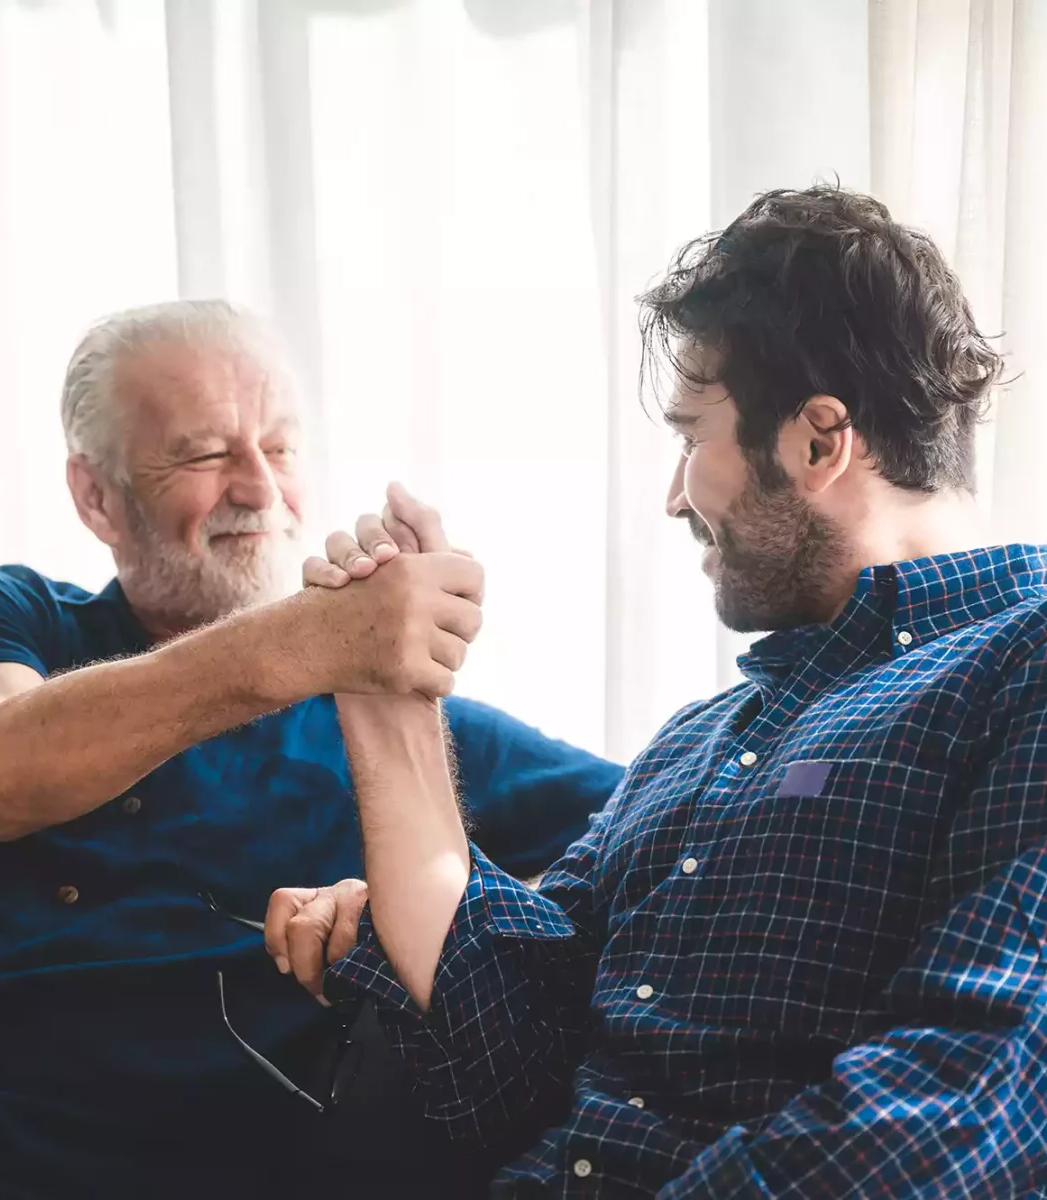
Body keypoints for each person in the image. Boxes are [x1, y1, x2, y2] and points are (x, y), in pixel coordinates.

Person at [269, 187, 1047, 1197]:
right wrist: (387, 700)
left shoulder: (1021, 666)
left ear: (819, 441)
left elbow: (965, 1097)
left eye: (692, 435)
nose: (674, 496)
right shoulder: (700, 743)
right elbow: (507, 1059)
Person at [0, 301, 623, 1199]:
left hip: (177, 1163)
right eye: (205, 453)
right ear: (97, 495)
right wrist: (307, 643)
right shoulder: (7, 613)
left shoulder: (413, 740)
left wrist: (403, 904)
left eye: (281, 448)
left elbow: (656, 847)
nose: (259, 489)